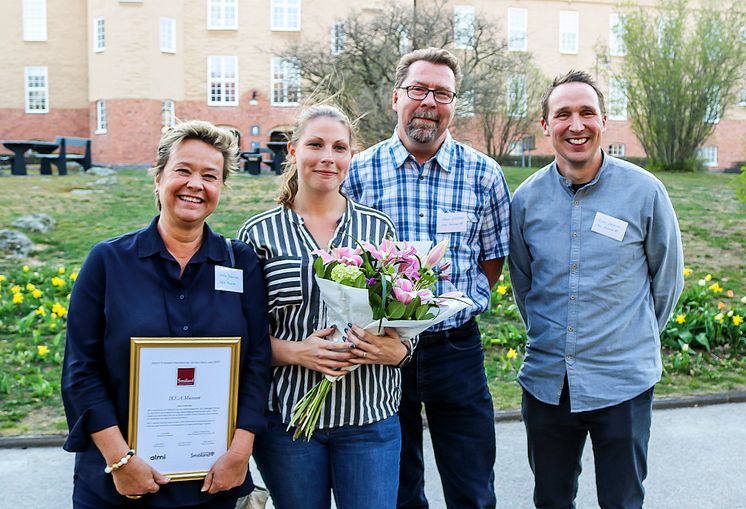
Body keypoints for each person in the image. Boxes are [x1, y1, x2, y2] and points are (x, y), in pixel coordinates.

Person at [61, 120, 271, 509]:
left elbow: (257, 362)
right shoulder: (107, 262)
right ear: (157, 179)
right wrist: (120, 460)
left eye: (210, 176)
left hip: (214, 480)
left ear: (220, 189)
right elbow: (81, 370)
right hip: (118, 481)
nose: (196, 184)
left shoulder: (241, 263)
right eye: (183, 170)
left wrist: (241, 452)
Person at [509, 70, 685, 509]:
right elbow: (524, 286)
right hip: (549, 385)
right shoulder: (526, 201)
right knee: (551, 499)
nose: (576, 124)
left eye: (587, 112)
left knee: (622, 502)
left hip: (623, 383)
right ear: (546, 126)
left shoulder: (645, 193)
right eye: (563, 114)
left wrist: (629, 339)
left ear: (604, 121)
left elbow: (667, 282)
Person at [343, 47, 511, 509]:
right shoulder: (357, 173)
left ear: (454, 104)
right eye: (419, 90)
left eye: (442, 93)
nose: (429, 102)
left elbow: (491, 261)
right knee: (398, 490)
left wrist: (451, 305)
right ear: (396, 98)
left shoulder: (484, 175)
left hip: (456, 351)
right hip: (381, 351)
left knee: (473, 486)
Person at [237, 104, 412, 509]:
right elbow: (242, 335)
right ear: (293, 151)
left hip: (370, 415)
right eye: (315, 144)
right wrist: (298, 352)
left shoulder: (377, 228)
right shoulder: (258, 233)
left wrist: (400, 352)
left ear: (351, 156)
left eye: (339, 147)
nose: (327, 157)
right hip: (290, 422)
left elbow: (402, 319)